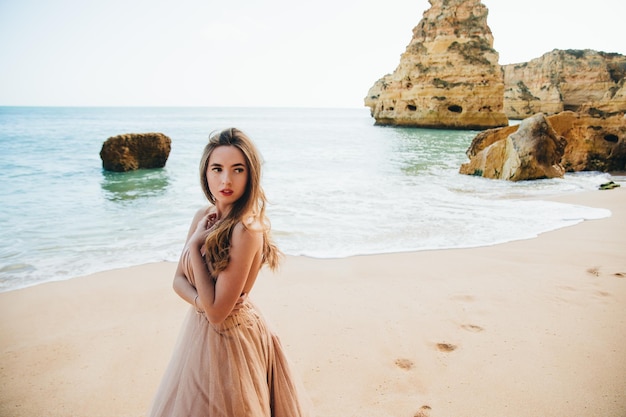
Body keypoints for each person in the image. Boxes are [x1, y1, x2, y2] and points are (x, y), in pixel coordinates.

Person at [148, 128, 312, 417]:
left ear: (250, 176)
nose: (226, 180)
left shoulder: (245, 229)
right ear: (205, 173)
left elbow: (217, 312)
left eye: (238, 170)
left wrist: (197, 244)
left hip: (233, 335)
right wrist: (202, 301)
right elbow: (177, 281)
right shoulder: (202, 216)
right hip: (199, 331)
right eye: (217, 169)